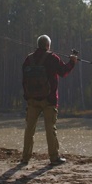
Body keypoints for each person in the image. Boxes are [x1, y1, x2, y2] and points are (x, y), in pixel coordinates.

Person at [21, 34, 77, 165]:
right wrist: (72, 62)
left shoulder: (28, 59)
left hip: (32, 100)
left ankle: (25, 158)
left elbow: (24, 81)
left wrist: (28, 97)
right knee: (50, 129)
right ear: (48, 45)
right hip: (49, 100)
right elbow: (63, 72)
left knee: (29, 129)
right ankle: (54, 157)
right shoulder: (52, 58)